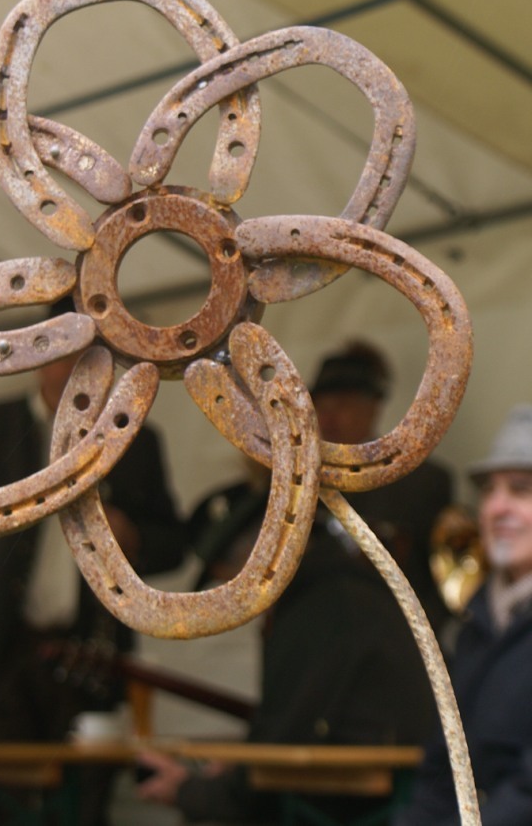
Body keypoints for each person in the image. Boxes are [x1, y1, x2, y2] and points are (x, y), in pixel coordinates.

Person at [0, 297, 185, 823]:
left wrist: (133, 537)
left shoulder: (135, 439)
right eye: (62, 355)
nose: (73, 372)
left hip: (91, 654)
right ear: (37, 357)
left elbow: (174, 541)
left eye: (89, 358)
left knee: (86, 804)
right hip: (1, 648)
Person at [137, 494, 435, 823]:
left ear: (255, 558)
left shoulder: (321, 608)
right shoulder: (339, 590)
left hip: (362, 808)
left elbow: (281, 746)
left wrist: (191, 792)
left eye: (229, 581)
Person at [394, 404, 532, 825]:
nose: (496, 508)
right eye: (489, 491)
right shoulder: (474, 624)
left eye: (520, 490)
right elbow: (441, 769)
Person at [310, 339, 455, 637]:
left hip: (397, 640)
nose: (329, 417)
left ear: (372, 407)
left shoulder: (422, 481)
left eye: (343, 405)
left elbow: (443, 581)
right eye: (321, 406)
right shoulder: (299, 484)